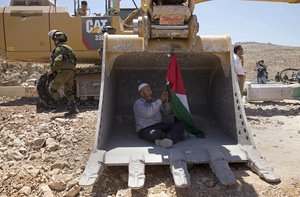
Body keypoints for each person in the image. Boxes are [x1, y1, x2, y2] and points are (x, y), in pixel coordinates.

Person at [133, 82, 187, 148]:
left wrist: (167, 102)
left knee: (180, 124)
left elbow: (167, 113)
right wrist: (160, 101)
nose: (150, 92)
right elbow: (148, 113)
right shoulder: (138, 104)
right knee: (154, 133)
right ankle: (176, 136)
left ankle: (165, 140)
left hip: (159, 125)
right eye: (147, 90)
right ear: (141, 93)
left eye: (150, 90)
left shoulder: (156, 101)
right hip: (145, 129)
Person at [48, 29, 79, 115]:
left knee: (52, 89)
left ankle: (61, 106)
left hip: (63, 72)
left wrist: (52, 69)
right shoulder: (69, 48)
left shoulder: (59, 49)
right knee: (68, 91)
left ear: (56, 40)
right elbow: (75, 60)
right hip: (71, 72)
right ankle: (74, 109)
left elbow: (58, 60)